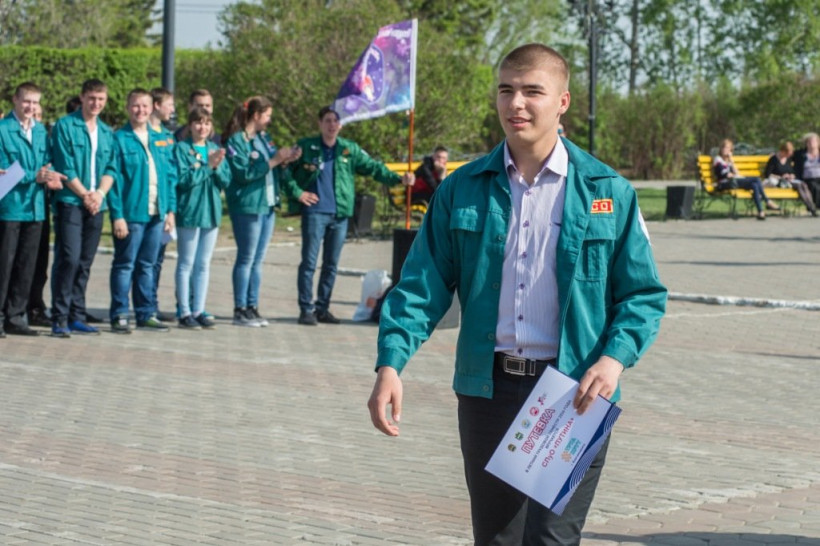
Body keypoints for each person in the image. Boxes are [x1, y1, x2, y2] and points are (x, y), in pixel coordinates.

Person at [367, 43, 667, 545]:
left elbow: (642, 295)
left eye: (532, 91)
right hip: (488, 392)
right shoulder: (462, 188)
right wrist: (390, 364)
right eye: (506, 90)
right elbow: (420, 286)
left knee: (552, 539)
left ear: (563, 101)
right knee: (497, 539)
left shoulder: (607, 191)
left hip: (573, 395)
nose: (516, 103)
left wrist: (613, 360)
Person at [284, 106, 414, 326]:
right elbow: (285, 169)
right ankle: (306, 309)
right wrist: (298, 193)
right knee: (309, 262)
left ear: (341, 125)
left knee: (331, 264)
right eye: (327, 120)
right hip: (315, 213)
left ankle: (322, 308)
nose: (332, 125)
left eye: (336, 121)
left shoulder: (348, 149)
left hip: (340, 214)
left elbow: (373, 167)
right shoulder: (306, 146)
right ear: (320, 123)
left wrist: (398, 179)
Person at [223, 96, 301, 327]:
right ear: (256, 115)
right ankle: (240, 309)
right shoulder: (237, 140)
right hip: (248, 205)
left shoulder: (264, 138)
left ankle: (252, 306)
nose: (269, 120)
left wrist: (285, 160)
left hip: (267, 204)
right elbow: (243, 173)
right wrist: (274, 160)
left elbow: (272, 165)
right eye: (267, 116)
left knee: (258, 260)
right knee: (246, 258)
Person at [50, 78, 117, 338]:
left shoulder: (107, 132)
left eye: (101, 99)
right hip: (71, 202)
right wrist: (85, 194)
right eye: (91, 98)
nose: (96, 103)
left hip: (96, 204)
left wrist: (99, 194)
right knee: (69, 258)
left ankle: (77, 315)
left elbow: (111, 168)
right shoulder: (65, 126)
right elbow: (65, 165)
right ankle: (59, 317)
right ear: (82, 97)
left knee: (85, 262)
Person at [107, 88, 178, 334]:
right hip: (132, 214)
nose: (140, 110)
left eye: (145, 106)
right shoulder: (119, 139)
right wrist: (117, 215)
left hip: (157, 213)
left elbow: (170, 176)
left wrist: (170, 211)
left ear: (152, 108)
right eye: (136, 106)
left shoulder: (161, 138)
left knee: (147, 264)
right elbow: (114, 181)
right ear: (128, 108)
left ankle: (146, 314)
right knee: (125, 264)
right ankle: (119, 314)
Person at [0, 82, 66, 337]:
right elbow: (4, 170)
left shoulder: (40, 131)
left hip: (35, 208)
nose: (30, 106)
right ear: (15, 100)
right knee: (4, 265)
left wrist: (51, 175)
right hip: (10, 208)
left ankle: (16, 316)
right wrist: (34, 175)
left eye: (35, 102)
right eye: (26, 101)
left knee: (27, 266)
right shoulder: (3, 130)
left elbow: (47, 162)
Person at [173, 106, 230, 329]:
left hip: (211, 212)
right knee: (186, 263)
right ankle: (184, 311)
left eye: (206, 123)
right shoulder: (181, 149)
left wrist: (217, 167)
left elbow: (226, 180)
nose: (202, 127)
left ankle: (198, 309)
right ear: (190, 125)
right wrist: (208, 166)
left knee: (203, 264)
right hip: (190, 211)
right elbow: (183, 180)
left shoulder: (215, 149)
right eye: (198, 122)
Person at [149, 87, 178, 322]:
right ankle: (141, 307)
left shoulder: (168, 137)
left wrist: (171, 210)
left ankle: (152, 304)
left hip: (163, 209)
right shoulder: (143, 133)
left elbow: (172, 177)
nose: (173, 109)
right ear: (157, 105)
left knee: (157, 260)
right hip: (144, 208)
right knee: (141, 261)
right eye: (169, 104)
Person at [713, 138, 779, 220]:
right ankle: (767, 201)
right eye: (724, 147)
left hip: (734, 181)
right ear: (721, 149)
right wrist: (731, 174)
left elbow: (736, 173)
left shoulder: (729, 161)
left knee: (754, 185)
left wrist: (731, 160)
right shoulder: (718, 159)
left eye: (727, 148)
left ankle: (761, 212)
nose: (725, 150)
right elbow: (724, 174)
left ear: (730, 150)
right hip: (724, 183)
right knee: (756, 179)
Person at [764, 141, 817, 217]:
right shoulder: (773, 159)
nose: (789, 155)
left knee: (803, 185)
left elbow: (791, 171)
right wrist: (781, 177)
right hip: (778, 181)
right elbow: (767, 174)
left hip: (788, 181)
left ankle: (811, 207)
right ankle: (811, 208)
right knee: (800, 185)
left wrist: (791, 175)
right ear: (783, 151)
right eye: (788, 153)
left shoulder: (788, 159)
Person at [792, 132, 820, 208]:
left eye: (813, 141)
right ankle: (816, 206)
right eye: (809, 142)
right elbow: (786, 158)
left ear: (818, 142)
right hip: (807, 179)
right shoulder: (800, 154)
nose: (811, 143)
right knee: (814, 186)